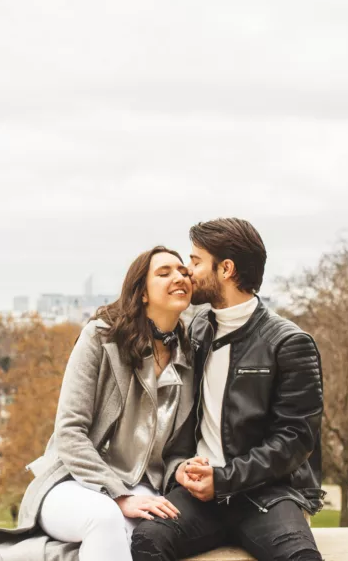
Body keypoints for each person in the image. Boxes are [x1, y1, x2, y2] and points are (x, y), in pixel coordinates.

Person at [0, 247, 196, 561]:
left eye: (184, 271)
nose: (179, 277)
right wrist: (118, 495)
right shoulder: (100, 339)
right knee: (105, 521)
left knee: (151, 535)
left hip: (142, 486)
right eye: (164, 272)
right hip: (73, 479)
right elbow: (69, 432)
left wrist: (183, 469)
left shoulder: (189, 357)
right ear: (142, 292)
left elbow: (176, 451)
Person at [130, 219, 324, 561]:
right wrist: (186, 470)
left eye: (195, 261)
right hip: (198, 497)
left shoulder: (289, 343)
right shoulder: (195, 331)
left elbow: (296, 439)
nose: (188, 272)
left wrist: (224, 479)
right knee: (147, 539)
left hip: (266, 495)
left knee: (301, 557)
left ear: (226, 269)